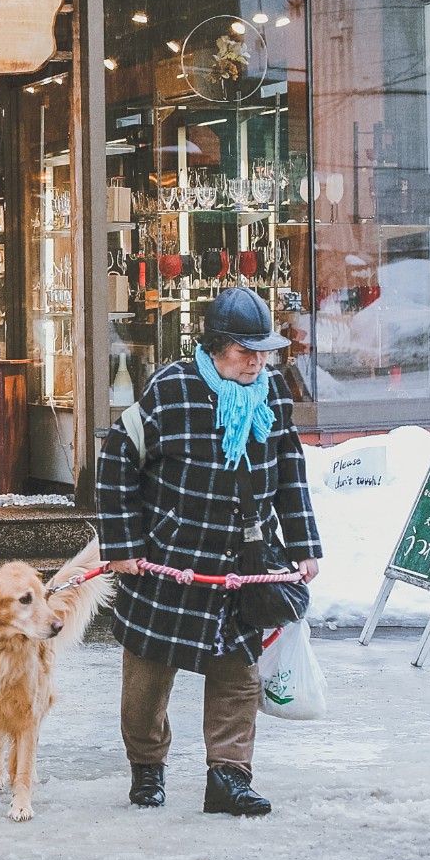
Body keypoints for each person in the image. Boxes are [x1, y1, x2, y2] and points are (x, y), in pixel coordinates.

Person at [95, 287, 321, 817]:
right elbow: (117, 461)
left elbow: (290, 468)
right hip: (168, 561)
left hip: (242, 561)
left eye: (265, 351)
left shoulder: (273, 392)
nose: (259, 362)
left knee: (238, 676)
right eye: (247, 352)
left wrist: (304, 544)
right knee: (146, 683)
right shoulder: (172, 389)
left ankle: (229, 777)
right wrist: (123, 546)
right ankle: (147, 771)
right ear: (216, 348)